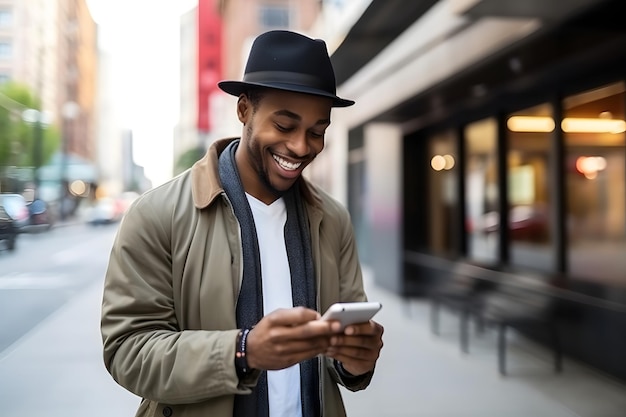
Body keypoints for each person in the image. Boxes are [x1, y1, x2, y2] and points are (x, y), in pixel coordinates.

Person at [100, 29, 384, 417]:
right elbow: (127, 352)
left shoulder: (332, 219)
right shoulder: (156, 214)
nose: (302, 147)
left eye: (317, 132)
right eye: (285, 126)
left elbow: (343, 356)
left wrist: (355, 361)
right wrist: (242, 352)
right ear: (244, 109)